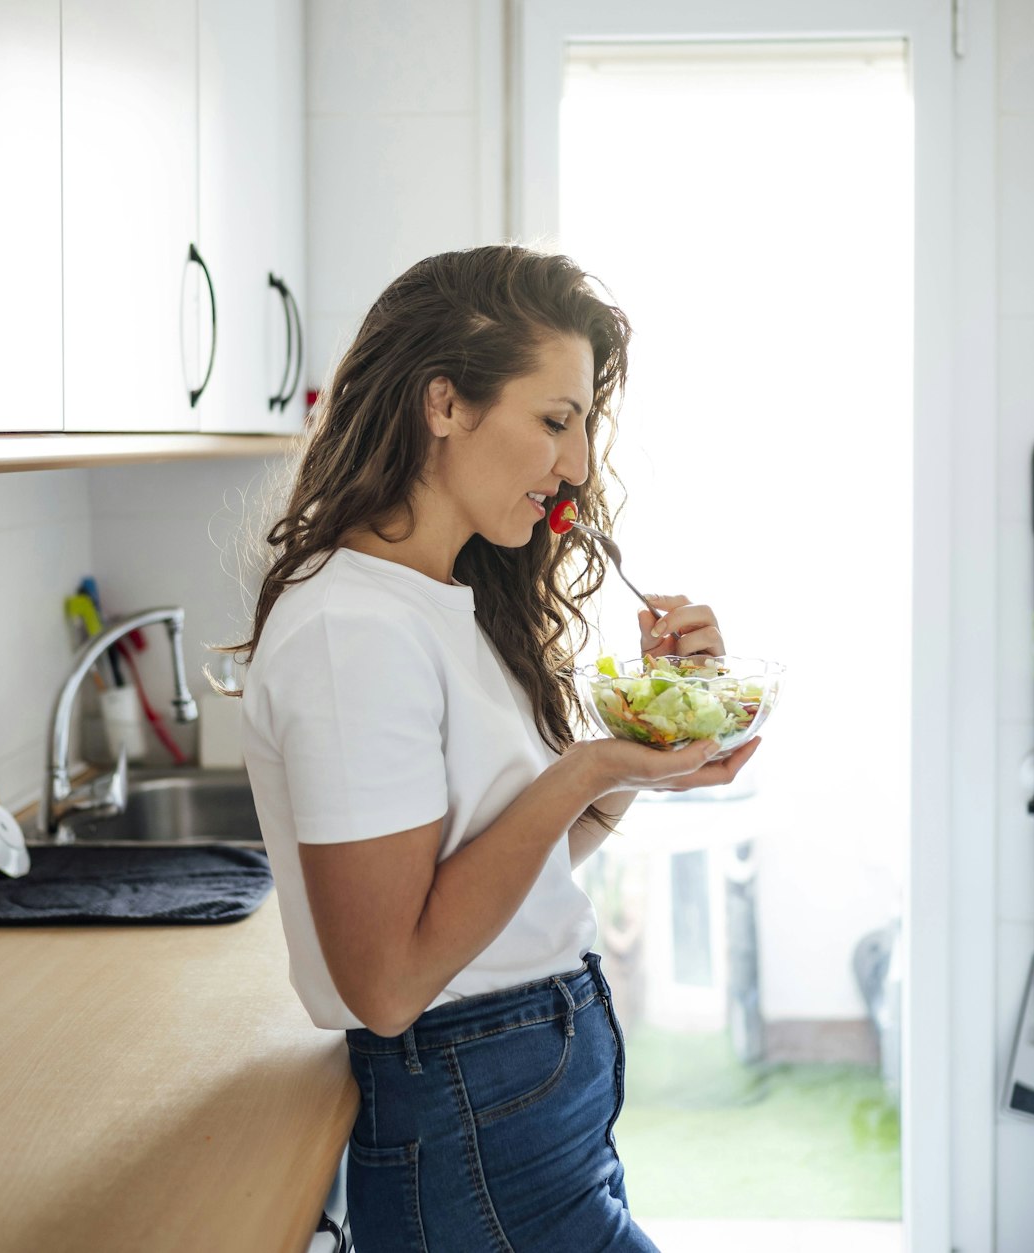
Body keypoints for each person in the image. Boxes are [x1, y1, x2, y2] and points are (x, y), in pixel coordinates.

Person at [233, 244, 762, 1251]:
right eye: (554, 421)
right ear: (444, 404)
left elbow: (502, 871)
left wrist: (653, 737)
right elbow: (387, 984)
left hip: (526, 1115)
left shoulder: (437, 601)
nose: (573, 466)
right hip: (475, 1114)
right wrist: (589, 766)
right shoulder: (353, 632)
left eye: (582, 427)